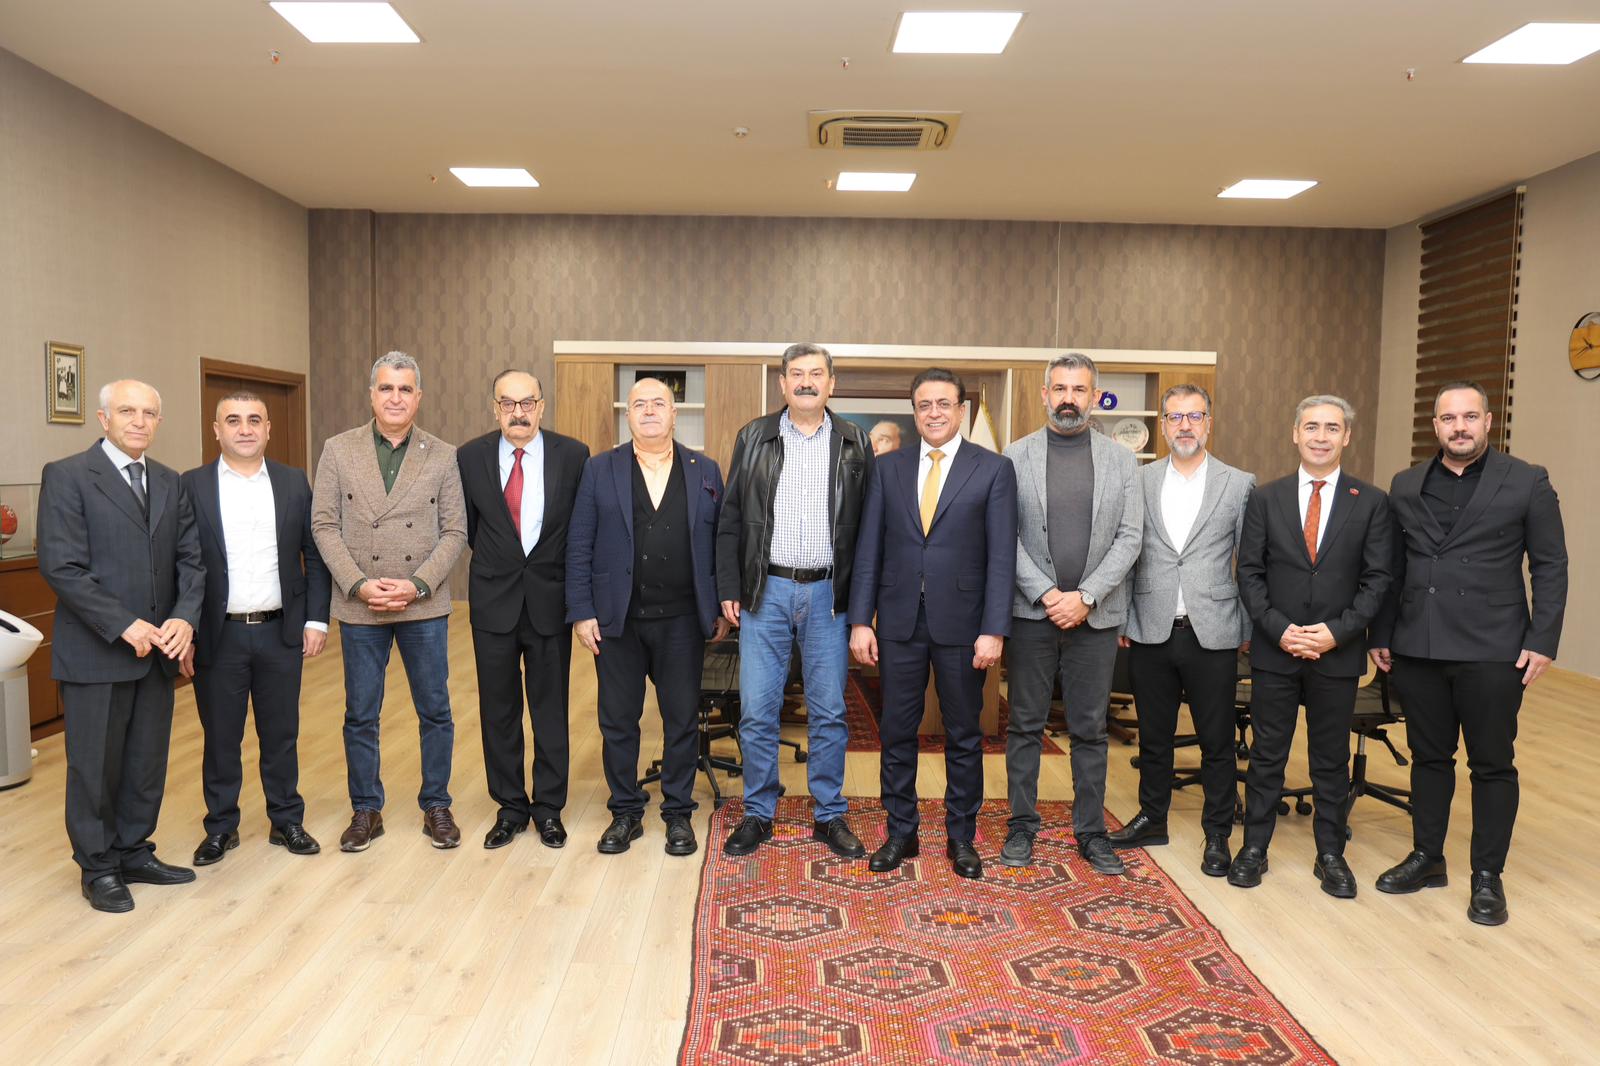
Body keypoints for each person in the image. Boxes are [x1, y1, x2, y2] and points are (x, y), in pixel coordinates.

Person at [1369, 380, 1567, 925]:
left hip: (1494, 647)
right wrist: (1382, 634)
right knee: (1429, 758)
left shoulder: (1527, 480)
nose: (1460, 427)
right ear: (1435, 425)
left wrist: (1542, 640)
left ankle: (1487, 876)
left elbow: (1550, 565)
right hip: (1419, 645)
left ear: (1488, 422)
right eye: (1449, 418)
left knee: (1491, 763)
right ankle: (1428, 858)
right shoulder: (1406, 484)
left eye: (1470, 416)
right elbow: (1394, 568)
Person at [37, 380, 204, 912]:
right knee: (95, 767)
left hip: (158, 655)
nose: (139, 421)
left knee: (145, 763)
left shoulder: (170, 481)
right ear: (103, 419)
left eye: (149, 413)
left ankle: (133, 851)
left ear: (159, 422)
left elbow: (191, 561)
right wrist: (123, 623)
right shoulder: (67, 476)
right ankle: (98, 867)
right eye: (127, 411)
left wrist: (184, 619)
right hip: (97, 653)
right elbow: (61, 565)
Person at [849, 368, 1016, 879]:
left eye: (944, 403)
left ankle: (961, 837)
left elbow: (1001, 557)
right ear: (914, 412)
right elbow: (868, 549)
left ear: (962, 410)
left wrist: (994, 629)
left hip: (964, 626)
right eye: (924, 405)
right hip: (898, 622)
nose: (934, 412)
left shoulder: (993, 469)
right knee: (896, 731)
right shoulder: (887, 468)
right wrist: (861, 621)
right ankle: (901, 832)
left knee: (964, 734)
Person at [715, 342, 875, 858]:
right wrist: (729, 587)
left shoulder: (855, 441)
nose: (807, 382)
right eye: (797, 374)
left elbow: (869, 530)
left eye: (817, 373)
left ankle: (829, 815)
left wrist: (864, 604)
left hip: (830, 595)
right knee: (758, 711)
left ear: (832, 384)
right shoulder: (753, 437)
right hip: (767, 591)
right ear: (782, 383)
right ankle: (758, 813)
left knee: (829, 712)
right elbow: (731, 518)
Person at [1231, 394, 1391, 898]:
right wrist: (1279, 629)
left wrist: (1336, 632)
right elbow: (1249, 573)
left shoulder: (1371, 501)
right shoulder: (1266, 498)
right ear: (1295, 434)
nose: (1321, 436)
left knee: (1330, 759)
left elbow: (1378, 580)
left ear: (1347, 437)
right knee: (1267, 755)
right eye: (1312, 426)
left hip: (1336, 653)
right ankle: (1254, 848)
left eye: (1332, 427)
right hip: (1275, 649)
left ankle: (1331, 855)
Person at [311, 351, 468, 852]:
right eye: (386, 388)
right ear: (371, 395)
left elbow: (455, 530)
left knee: (435, 709)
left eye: (404, 389)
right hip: (361, 604)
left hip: (422, 604)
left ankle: (436, 805)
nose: (395, 398)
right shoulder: (338, 450)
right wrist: (357, 584)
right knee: (361, 712)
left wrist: (417, 584)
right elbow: (323, 525)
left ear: (418, 397)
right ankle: (366, 810)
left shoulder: (442, 454)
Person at [567, 377, 729, 855]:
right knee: (618, 720)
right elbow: (579, 543)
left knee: (681, 719)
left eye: (660, 403)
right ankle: (625, 812)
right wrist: (581, 611)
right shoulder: (599, 469)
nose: (651, 411)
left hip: (683, 620)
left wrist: (721, 602)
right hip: (618, 620)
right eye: (640, 404)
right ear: (628, 415)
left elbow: (722, 542)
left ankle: (678, 813)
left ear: (674, 414)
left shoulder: (705, 470)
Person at [1002, 353, 1142, 875]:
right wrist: (1046, 593)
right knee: (1024, 725)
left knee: (1089, 728)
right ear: (1045, 394)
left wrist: (1085, 596)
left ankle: (1091, 832)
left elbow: (1130, 537)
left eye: (1078, 390)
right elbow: (1005, 535)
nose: (1068, 399)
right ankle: (1022, 826)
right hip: (1031, 615)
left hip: (1095, 618)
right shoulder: (1014, 456)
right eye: (1059, 388)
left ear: (1094, 397)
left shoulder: (1122, 461)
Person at [181, 392, 331, 864]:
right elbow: (180, 563)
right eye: (233, 420)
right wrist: (185, 631)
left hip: (279, 632)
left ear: (268, 429)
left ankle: (286, 821)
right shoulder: (192, 486)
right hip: (217, 634)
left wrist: (315, 618)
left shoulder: (293, 482)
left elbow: (314, 555)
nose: (244, 429)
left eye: (253, 420)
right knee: (221, 738)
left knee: (281, 734)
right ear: (216, 430)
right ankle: (221, 827)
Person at [1109, 384, 1253, 877]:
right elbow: (1127, 552)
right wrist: (1123, 616)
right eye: (1175, 417)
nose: (1185, 425)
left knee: (1216, 740)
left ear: (1209, 422)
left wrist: (1246, 625)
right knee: (1154, 736)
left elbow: (1249, 562)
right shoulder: (1139, 480)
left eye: (1194, 416)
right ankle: (1152, 818)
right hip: (1150, 627)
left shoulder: (1239, 484)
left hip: (1213, 629)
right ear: (1163, 425)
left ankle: (1218, 833)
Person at [456, 370, 589, 850]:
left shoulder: (572, 455)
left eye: (527, 402)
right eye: (508, 403)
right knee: (499, 711)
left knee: (550, 709)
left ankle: (548, 808)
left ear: (541, 406)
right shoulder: (469, 457)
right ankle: (510, 807)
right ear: (495, 408)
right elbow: (471, 528)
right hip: (493, 600)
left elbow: (579, 528)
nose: (518, 412)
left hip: (549, 600)